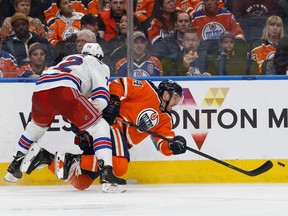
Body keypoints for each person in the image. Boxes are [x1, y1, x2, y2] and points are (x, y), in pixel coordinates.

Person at [20, 78, 187, 190]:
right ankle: (73, 160)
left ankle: (44, 157)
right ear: (166, 94)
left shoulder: (165, 119)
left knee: (81, 183)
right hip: (113, 126)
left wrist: (173, 145)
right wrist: (114, 101)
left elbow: (164, 145)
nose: (177, 103)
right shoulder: (147, 89)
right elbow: (118, 84)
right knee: (119, 167)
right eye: (176, 98)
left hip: (119, 139)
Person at [4, 43, 126, 193]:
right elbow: (101, 99)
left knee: (34, 128)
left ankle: (13, 168)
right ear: (100, 57)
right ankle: (107, 175)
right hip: (64, 89)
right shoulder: (98, 64)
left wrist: (79, 114)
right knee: (100, 127)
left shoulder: (69, 59)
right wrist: (83, 118)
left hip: (40, 88)